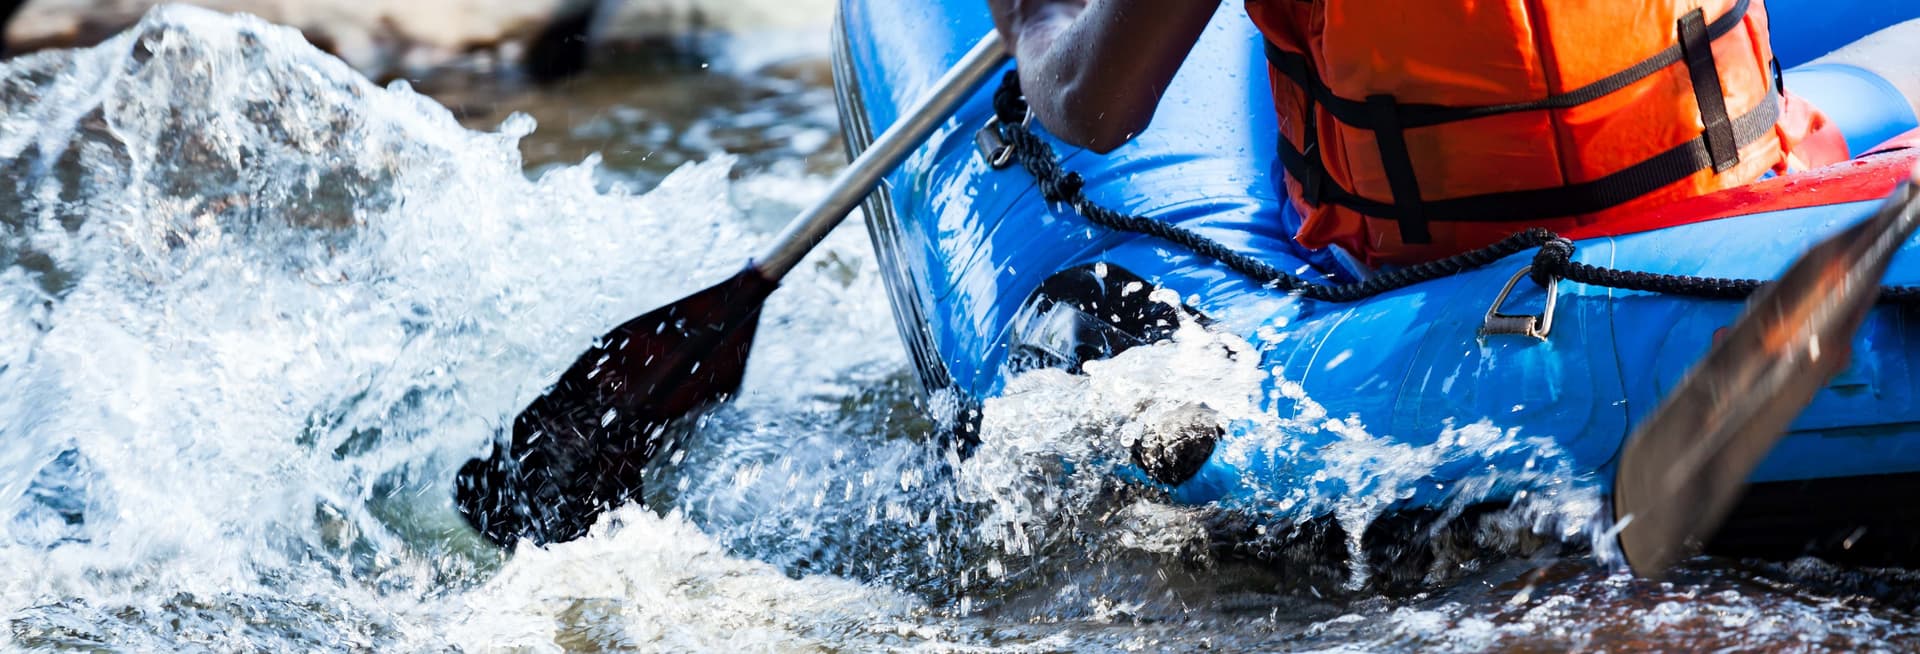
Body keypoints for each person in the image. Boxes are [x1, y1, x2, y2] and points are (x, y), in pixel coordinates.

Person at [988, 1, 1920, 269]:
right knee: (1878, 77)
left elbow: (1093, 105)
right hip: (1739, 202)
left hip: (1435, 267)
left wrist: (1035, 20)